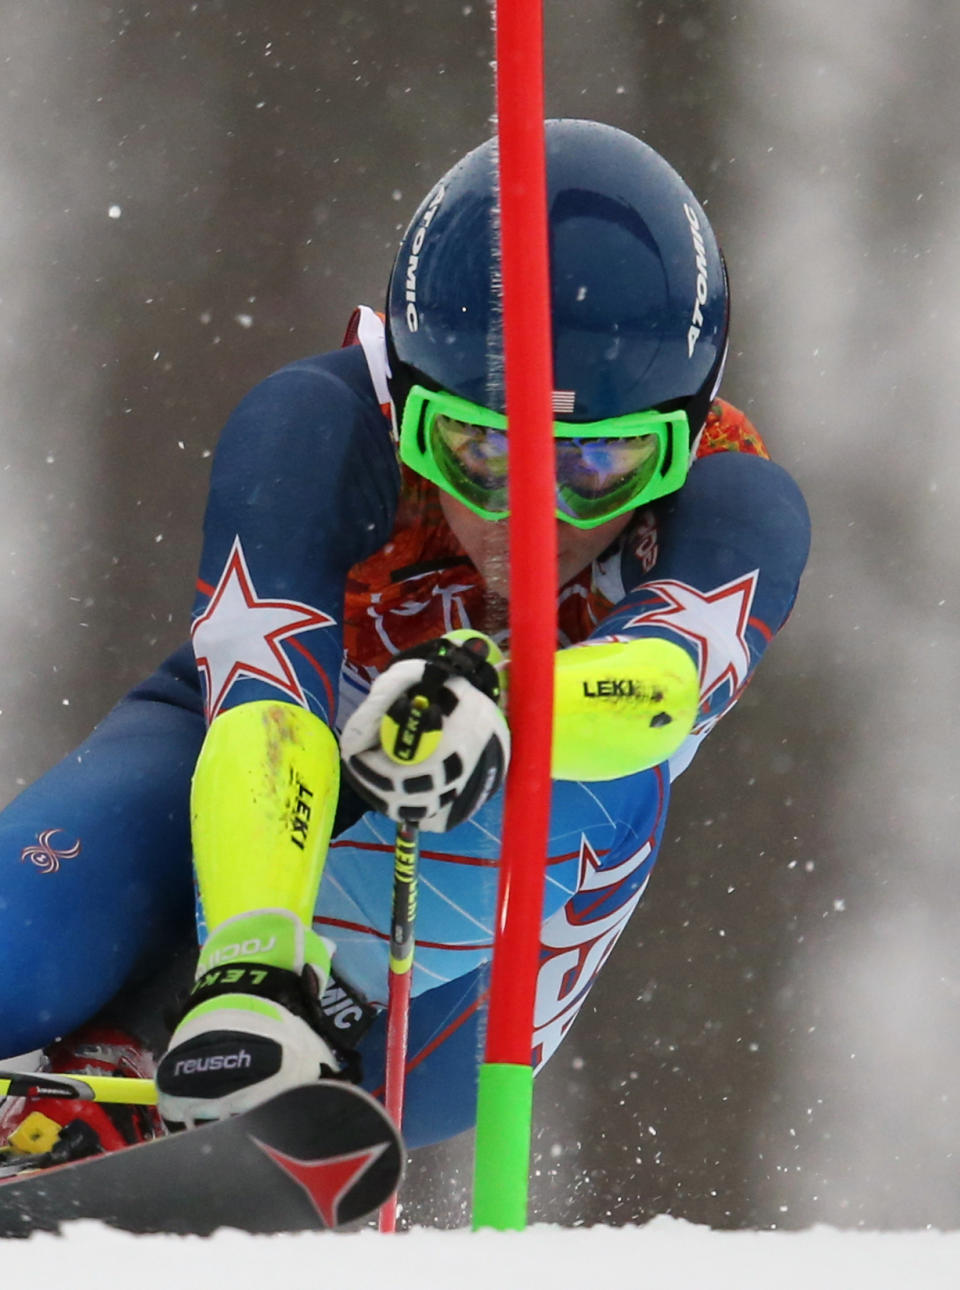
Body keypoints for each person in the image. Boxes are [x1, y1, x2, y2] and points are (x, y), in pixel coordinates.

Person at [0, 119, 809, 1167]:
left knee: (562, 775)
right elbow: (265, 703)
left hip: (465, 955)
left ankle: (223, 1069)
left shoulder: (737, 498)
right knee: (21, 948)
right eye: (476, 450)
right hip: (260, 772)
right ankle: (178, 1035)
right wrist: (252, 959)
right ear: (410, 404)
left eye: (599, 467)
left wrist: (505, 703)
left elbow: (661, 683)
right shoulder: (320, 426)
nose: (527, 519)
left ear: (684, 437)